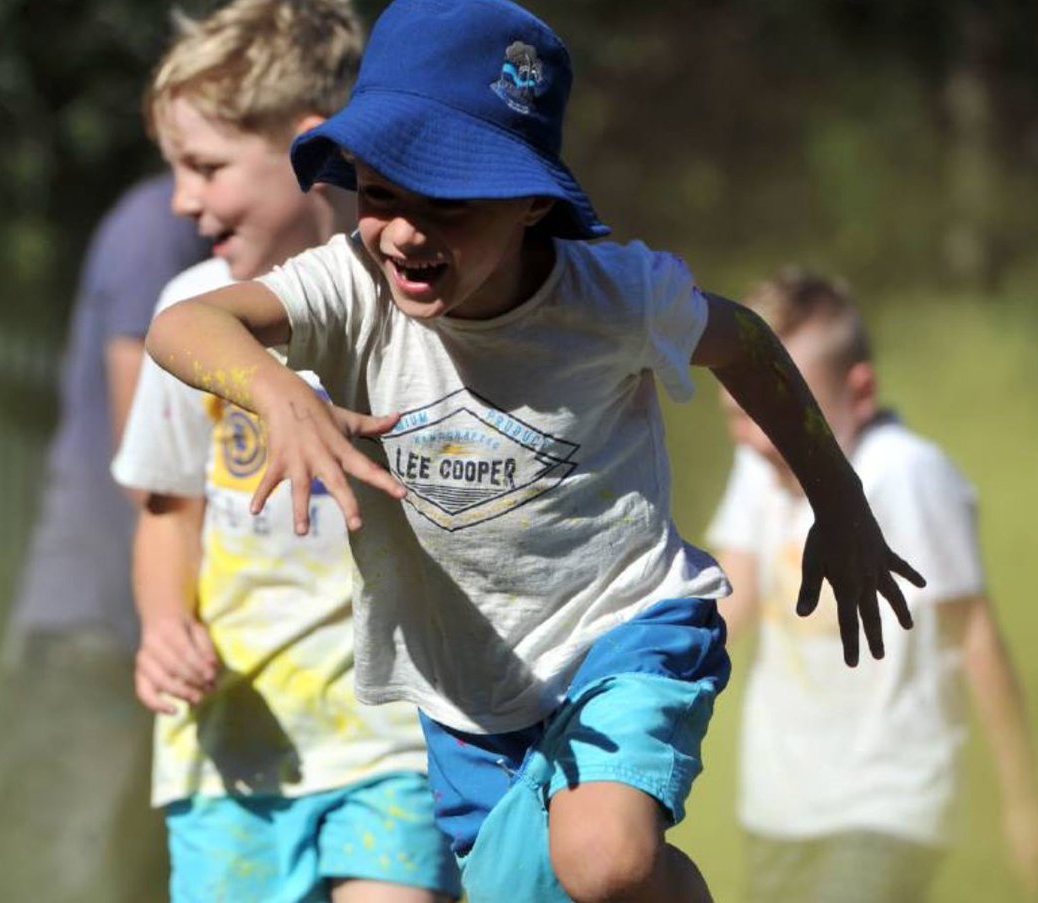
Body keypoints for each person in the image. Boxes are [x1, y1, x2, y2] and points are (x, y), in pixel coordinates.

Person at [141, 1, 925, 900]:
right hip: (468, 697)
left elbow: (744, 340)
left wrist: (840, 500)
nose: (404, 231)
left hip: (622, 626)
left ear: (530, 203)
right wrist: (276, 390)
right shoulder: (349, 291)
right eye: (383, 194)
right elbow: (185, 325)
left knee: (602, 859)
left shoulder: (611, 297)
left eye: (449, 202)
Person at [110, 2, 460, 901]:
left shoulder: (412, 299)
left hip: (396, 737)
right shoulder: (188, 321)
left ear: (309, 150)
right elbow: (166, 510)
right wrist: (161, 624)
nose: (184, 199)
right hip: (236, 754)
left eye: (207, 167)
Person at [706, 269, 1038, 902]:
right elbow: (730, 598)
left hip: (888, 805)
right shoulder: (757, 468)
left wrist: (1024, 803)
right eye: (740, 413)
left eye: (780, 413)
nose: (756, 436)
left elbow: (976, 638)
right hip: (777, 806)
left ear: (859, 393)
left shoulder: (906, 474)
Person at [0, 172, 209, 903]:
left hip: (160, 647)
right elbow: (143, 457)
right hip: (94, 638)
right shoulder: (159, 229)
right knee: (57, 883)